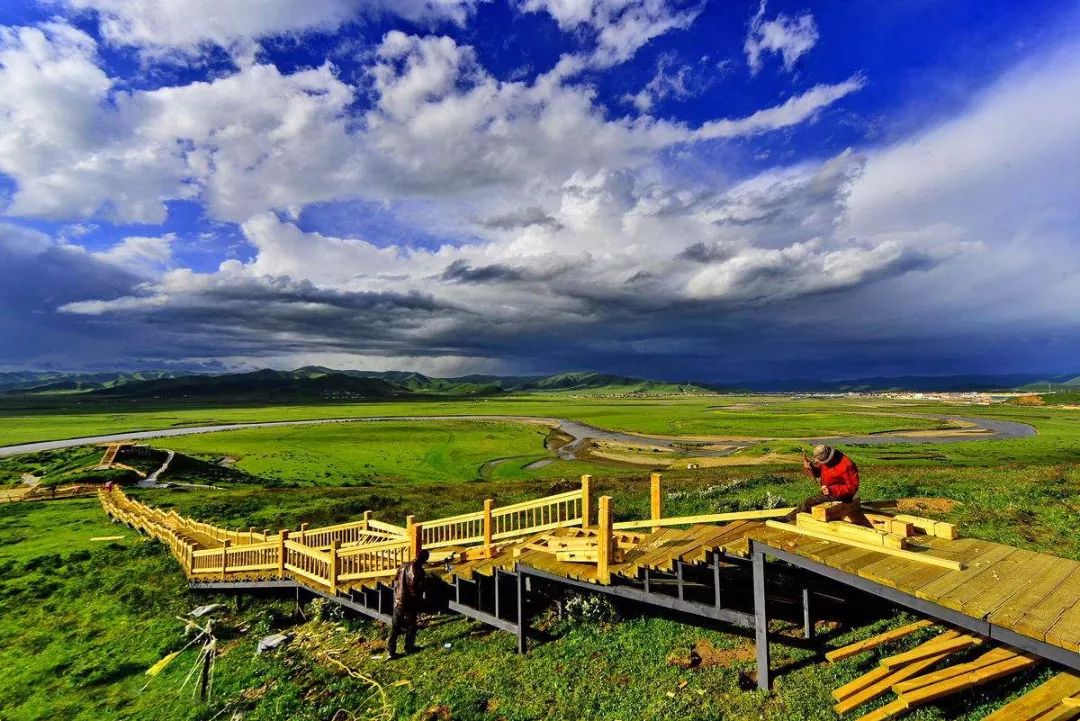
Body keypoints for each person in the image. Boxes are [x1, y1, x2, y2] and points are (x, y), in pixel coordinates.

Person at [789, 444, 860, 519]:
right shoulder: (826, 458)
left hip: (844, 496)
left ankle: (788, 519)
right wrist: (811, 467)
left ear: (829, 457)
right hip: (829, 491)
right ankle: (791, 517)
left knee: (809, 503)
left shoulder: (846, 464)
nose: (822, 463)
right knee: (810, 503)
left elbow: (853, 487)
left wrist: (832, 490)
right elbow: (818, 472)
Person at [386, 549, 430, 659]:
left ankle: (391, 651)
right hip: (409, 602)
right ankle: (409, 647)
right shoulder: (418, 571)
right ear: (424, 559)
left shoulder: (403, 566)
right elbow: (416, 588)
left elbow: (395, 581)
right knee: (411, 625)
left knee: (395, 627)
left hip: (398, 600)